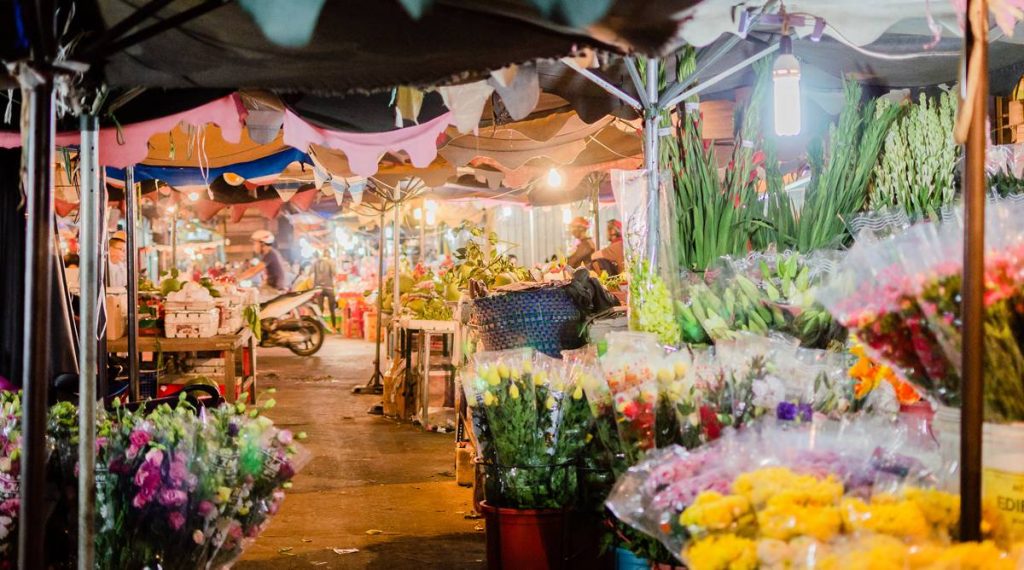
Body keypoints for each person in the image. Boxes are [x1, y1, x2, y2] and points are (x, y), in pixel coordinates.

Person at [238, 230, 290, 298]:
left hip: (274, 290)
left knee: (247, 299)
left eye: (255, 243)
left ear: (262, 243)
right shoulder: (269, 254)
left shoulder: (270, 254)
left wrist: (236, 279)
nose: (254, 246)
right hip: (271, 288)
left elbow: (254, 271)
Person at [313, 251, 338, 328]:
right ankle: (334, 326)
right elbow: (334, 273)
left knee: (320, 309)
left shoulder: (316, 263)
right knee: (332, 308)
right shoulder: (330, 262)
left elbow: (313, 274)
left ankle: (320, 328)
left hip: (318, 287)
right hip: (329, 287)